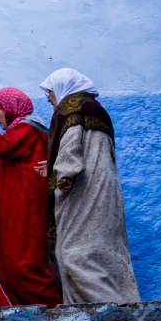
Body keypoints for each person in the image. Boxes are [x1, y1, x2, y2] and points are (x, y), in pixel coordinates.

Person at [35, 68, 139, 305]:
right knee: (103, 253)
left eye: (50, 91)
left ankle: (108, 310)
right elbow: (92, 150)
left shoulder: (71, 107)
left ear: (63, 87)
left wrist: (60, 175)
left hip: (82, 195)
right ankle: (123, 305)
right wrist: (52, 167)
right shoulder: (96, 109)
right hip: (104, 190)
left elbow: (71, 152)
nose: (49, 98)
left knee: (75, 254)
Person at [0, 87, 63, 307]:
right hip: (19, 212)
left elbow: (3, 147)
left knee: (23, 262)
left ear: (11, 109)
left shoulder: (27, 129)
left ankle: (54, 307)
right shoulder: (24, 130)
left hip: (24, 212)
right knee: (15, 259)